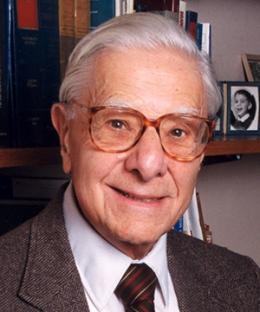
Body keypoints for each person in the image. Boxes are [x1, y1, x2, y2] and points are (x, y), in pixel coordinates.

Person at [0, 13, 259, 311]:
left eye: (178, 130)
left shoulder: (244, 283)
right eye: (118, 124)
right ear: (66, 136)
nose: (148, 164)